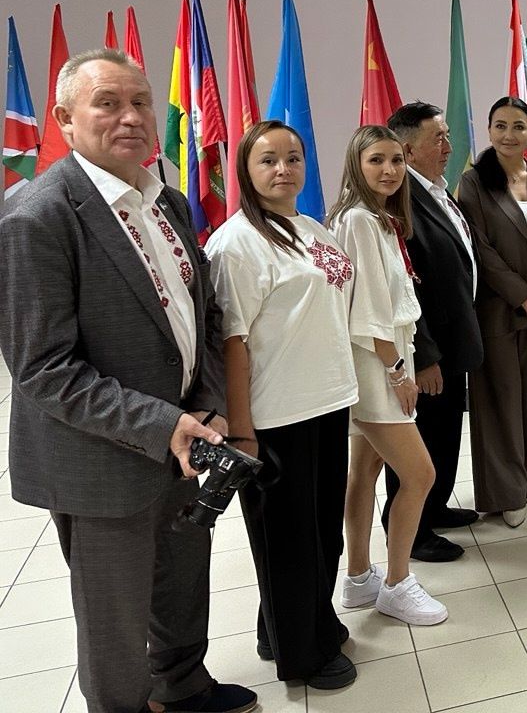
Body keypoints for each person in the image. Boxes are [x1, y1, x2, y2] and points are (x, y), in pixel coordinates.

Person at [0, 48, 257, 713]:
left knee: (182, 582)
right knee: (114, 622)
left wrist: (207, 404)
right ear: (65, 118)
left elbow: (199, 315)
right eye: (107, 103)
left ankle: (184, 687)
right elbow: (43, 369)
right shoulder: (37, 217)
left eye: (140, 102)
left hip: (186, 443)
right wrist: (164, 423)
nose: (132, 117)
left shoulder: (166, 199)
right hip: (101, 460)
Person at [207, 120, 359, 688]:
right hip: (274, 417)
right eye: (268, 160)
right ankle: (304, 655)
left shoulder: (310, 227)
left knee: (320, 533)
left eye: (293, 158)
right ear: (245, 170)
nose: (283, 169)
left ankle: (288, 625)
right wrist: (242, 432)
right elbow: (232, 342)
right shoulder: (236, 244)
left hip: (325, 401)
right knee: (289, 543)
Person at [329, 125, 448, 626]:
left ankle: (359, 576)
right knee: (420, 474)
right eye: (376, 160)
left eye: (397, 160)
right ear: (357, 165)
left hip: (383, 357)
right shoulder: (358, 219)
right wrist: (398, 371)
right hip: (377, 363)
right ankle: (398, 584)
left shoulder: (378, 219)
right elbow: (370, 308)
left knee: (366, 470)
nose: (389, 170)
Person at [386, 103, 483, 561]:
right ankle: (413, 531)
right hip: (428, 351)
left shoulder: (438, 190)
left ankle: (435, 506)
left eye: (447, 135)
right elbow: (405, 286)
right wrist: (423, 356)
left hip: (453, 340)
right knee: (420, 442)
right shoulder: (400, 201)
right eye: (438, 138)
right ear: (407, 150)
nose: (448, 145)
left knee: (445, 435)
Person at [456, 97, 527, 528]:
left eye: (518, 126)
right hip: (496, 308)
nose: (509, 134)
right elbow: (480, 248)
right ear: (489, 131)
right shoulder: (473, 182)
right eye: (500, 126)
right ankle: (504, 492)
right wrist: (522, 294)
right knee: (500, 401)